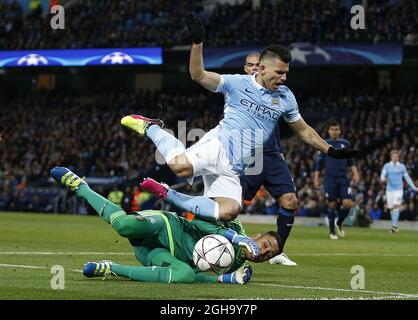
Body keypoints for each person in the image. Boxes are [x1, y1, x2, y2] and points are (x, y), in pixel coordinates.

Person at [50, 167, 281, 284]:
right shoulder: (234, 223)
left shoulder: (236, 267)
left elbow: (199, 273)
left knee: (184, 276)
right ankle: (81, 186)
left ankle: (111, 268)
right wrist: (233, 236)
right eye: (266, 244)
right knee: (123, 225)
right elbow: (199, 218)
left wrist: (224, 279)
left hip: (158, 253)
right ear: (258, 235)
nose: (265, 251)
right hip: (166, 226)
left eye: (269, 254)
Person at [241, 52, 296, 265]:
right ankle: (218, 245)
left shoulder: (277, 93)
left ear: (263, 67)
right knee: (230, 205)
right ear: (246, 68)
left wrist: (279, 149)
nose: (254, 68)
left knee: (290, 200)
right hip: (247, 155)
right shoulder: (239, 90)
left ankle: (277, 249)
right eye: (250, 65)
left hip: (271, 155)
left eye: (257, 65)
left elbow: (273, 123)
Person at [313, 120, 360, 240]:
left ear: (340, 131)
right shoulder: (324, 144)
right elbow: (318, 164)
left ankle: (339, 222)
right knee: (332, 204)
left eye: (336, 129)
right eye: (332, 129)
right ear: (328, 131)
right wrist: (316, 179)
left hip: (344, 178)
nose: (334, 131)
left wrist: (355, 173)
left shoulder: (345, 143)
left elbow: (351, 161)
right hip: (330, 179)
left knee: (348, 203)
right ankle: (332, 232)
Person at [380, 149, 417, 233]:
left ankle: (394, 226)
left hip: (399, 189)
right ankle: (395, 226)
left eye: (397, 156)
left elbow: (407, 178)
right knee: (391, 208)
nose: (396, 158)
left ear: (398, 157)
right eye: (394, 156)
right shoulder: (387, 166)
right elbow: (382, 176)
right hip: (389, 190)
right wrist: (383, 179)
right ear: (391, 157)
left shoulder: (402, 166)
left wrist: (413, 187)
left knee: (396, 206)